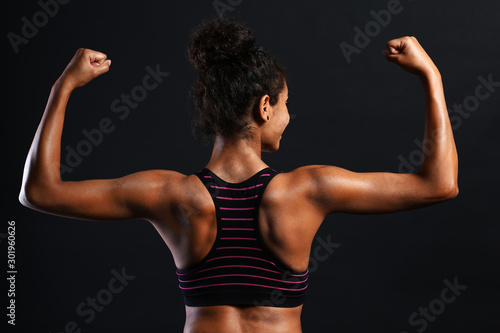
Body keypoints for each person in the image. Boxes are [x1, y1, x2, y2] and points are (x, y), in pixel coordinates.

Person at [19, 16, 458, 333]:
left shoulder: (171, 195)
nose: (290, 115)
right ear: (264, 107)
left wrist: (64, 87)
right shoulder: (309, 190)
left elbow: (38, 192)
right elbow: (440, 185)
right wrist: (430, 76)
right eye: (285, 105)